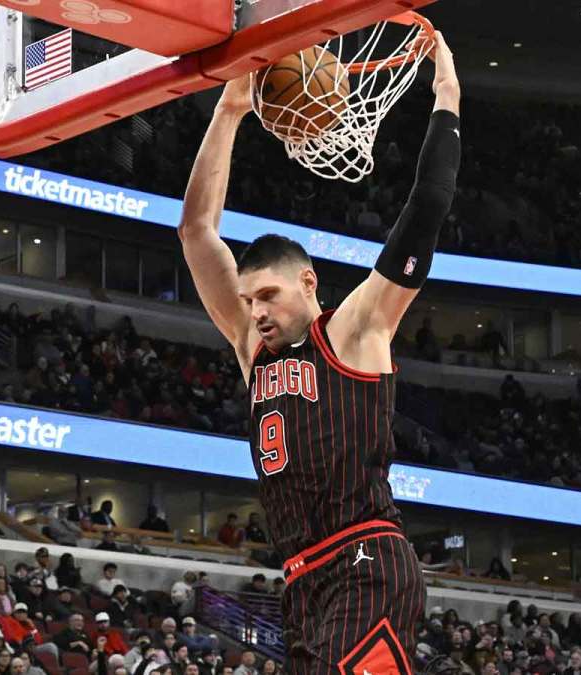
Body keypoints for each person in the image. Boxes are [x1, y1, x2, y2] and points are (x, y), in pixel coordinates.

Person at [176, 31, 460, 669]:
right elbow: (197, 231)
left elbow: (427, 208)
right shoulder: (256, 349)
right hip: (303, 582)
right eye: (248, 300)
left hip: (368, 561)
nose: (255, 312)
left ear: (308, 282)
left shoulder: (356, 331)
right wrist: (228, 113)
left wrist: (446, 98)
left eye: (268, 296)